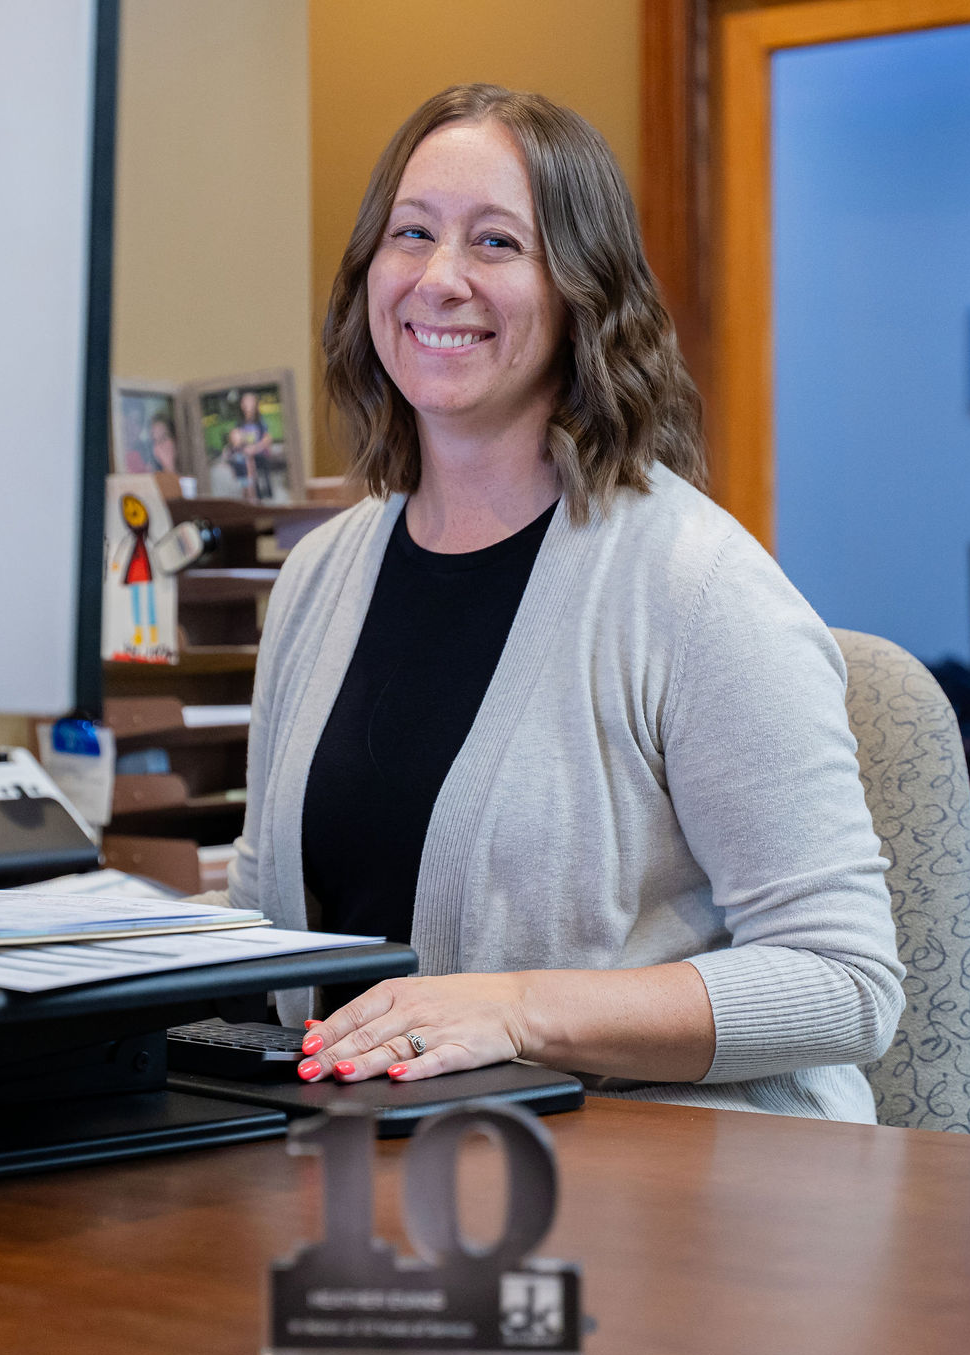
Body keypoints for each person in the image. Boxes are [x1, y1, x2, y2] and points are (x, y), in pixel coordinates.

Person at [224, 83, 905, 1123]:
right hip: (376, 1168)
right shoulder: (318, 579)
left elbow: (844, 987)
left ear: (582, 291)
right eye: (411, 234)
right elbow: (258, 910)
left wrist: (515, 1011)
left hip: (686, 1198)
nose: (438, 279)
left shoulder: (697, 587)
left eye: (496, 243)